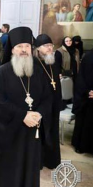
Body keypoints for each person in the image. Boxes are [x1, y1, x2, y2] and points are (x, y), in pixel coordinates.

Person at [0, 27, 53, 187]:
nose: (24, 50)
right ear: (12, 49)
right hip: (10, 133)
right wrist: (23, 115)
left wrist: (39, 114)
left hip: (32, 132)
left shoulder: (38, 71)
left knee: (29, 168)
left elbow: (48, 98)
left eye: (26, 46)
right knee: (11, 169)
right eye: (19, 46)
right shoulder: (2, 72)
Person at [34, 34, 62, 169]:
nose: (50, 48)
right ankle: (39, 160)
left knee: (53, 131)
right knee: (42, 133)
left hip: (54, 105)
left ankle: (51, 160)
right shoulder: (34, 64)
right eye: (46, 46)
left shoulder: (53, 62)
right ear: (38, 49)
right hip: (41, 105)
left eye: (51, 45)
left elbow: (56, 83)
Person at [71, 48, 93, 154]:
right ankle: (81, 145)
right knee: (84, 123)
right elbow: (82, 78)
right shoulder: (89, 56)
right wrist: (87, 91)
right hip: (86, 98)